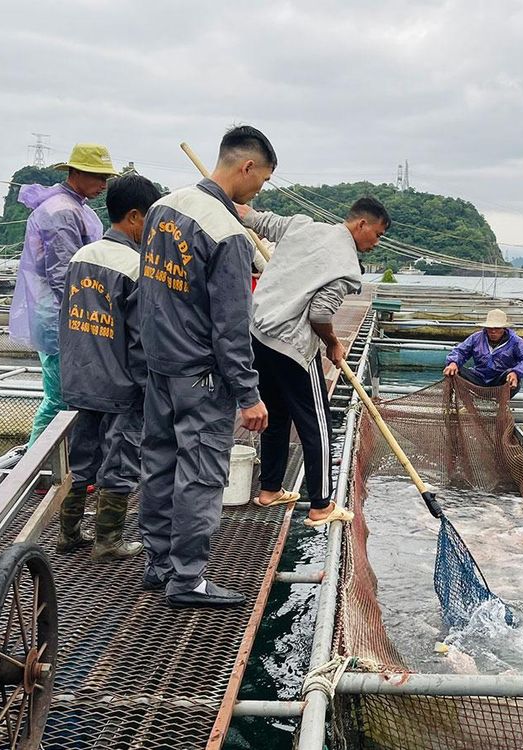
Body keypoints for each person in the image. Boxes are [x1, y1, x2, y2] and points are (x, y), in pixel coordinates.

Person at [138, 125, 274, 609]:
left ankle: (159, 563)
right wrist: (249, 394)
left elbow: (147, 291)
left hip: (158, 365)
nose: (256, 193)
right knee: (200, 474)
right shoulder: (228, 234)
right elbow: (231, 326)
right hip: (202, 374)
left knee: (158, 461)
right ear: (247, 167)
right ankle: (188, 578)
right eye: (259, 183)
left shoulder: (161, 209)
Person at [238, 197, 389, 527]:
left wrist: (238, 206)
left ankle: (270, 489)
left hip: (256, 334)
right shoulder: (348, 267)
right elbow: (320, 313)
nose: (375, 243)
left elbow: (258, 220)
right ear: (361, 224)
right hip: (291, 346)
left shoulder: (302, 226)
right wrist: (333, 343)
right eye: (376, 235)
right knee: (317, 425)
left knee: (276, 414)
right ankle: (322, 505)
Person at [57, 173, 162, 559]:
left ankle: (68, 533)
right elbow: (140, 339)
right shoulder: (135, 267)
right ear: (134, 217)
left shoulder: (80, 257)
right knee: (119, 460)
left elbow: (65, 320)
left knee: (81, 459)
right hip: (120, 387)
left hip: (80, 378)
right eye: (149, 219)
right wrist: (149, 389)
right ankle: (108, 540)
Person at [9, 143, 118, 445]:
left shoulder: (74, 207)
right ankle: (36, 462)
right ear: (76, 173)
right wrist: (87, 315)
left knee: (64, 394)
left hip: (63, 311)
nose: (103, 185)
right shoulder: (61, 211)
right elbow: (63, 274)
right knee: (59, 396)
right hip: (59, 313)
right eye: (98, 177)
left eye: (105, 178)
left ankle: (53, 460)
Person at [442, 309, 523, 394]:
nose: (493, 331)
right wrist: (453, 363)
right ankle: (467, 405)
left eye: (497, 328)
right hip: (478, 378)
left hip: (500, 380)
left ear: (504, 328)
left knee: (513, 379)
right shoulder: (476, 338)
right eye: (490, 328)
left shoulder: (516, 342)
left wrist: (516, 372)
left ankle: (501, 405)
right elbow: (460, 351)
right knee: (453, 371)